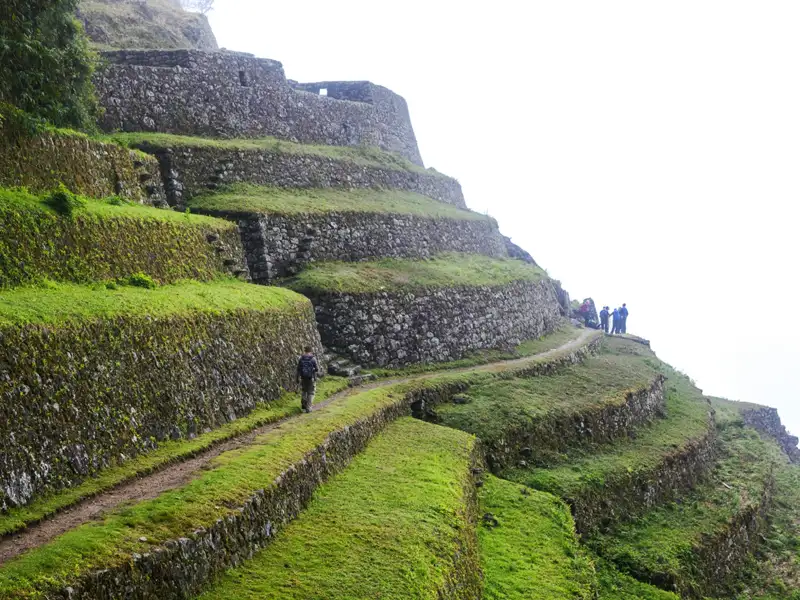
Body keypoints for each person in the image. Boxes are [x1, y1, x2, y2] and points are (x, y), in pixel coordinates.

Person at [296, 346, 320, 413]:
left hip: (303, 378)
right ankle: (308, 408)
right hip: (311, 378)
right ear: (311, 351)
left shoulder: (301, 358)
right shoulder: (313, 359)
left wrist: (297, 378)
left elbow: (298, 369)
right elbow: (317, 369)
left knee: (304, 390)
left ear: (305, 350)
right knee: (311, 392)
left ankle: (303, 403)